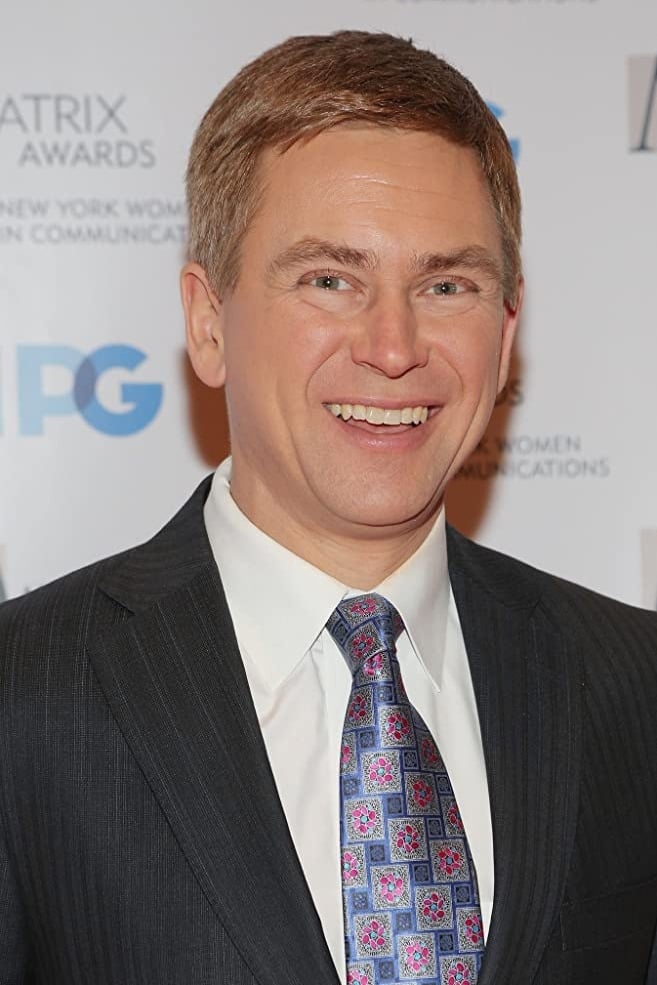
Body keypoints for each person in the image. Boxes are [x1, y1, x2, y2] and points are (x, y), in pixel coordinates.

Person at [1, 30, 656, 985]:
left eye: (446, 284)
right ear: (207, 322)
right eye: (329, 280)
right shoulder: (23, 692)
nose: (393, 346)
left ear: (505, 330)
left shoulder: (632, 684)